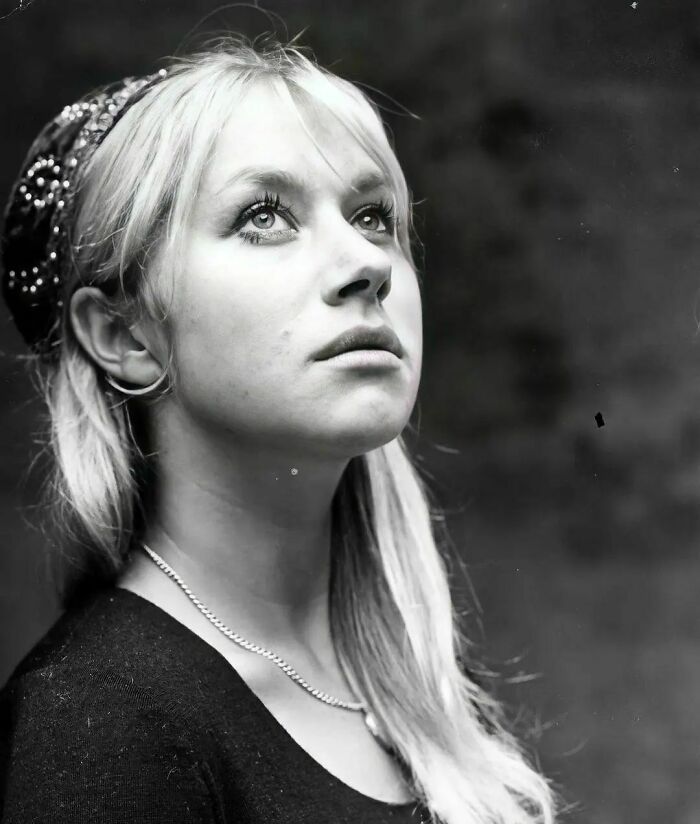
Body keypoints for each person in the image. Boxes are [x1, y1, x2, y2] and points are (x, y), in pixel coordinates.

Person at [0, 35, 556, 824]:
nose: (368, 264)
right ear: (125, 336)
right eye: (264, 216)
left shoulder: (414, 686)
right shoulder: (100, 725)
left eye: (373, 216)